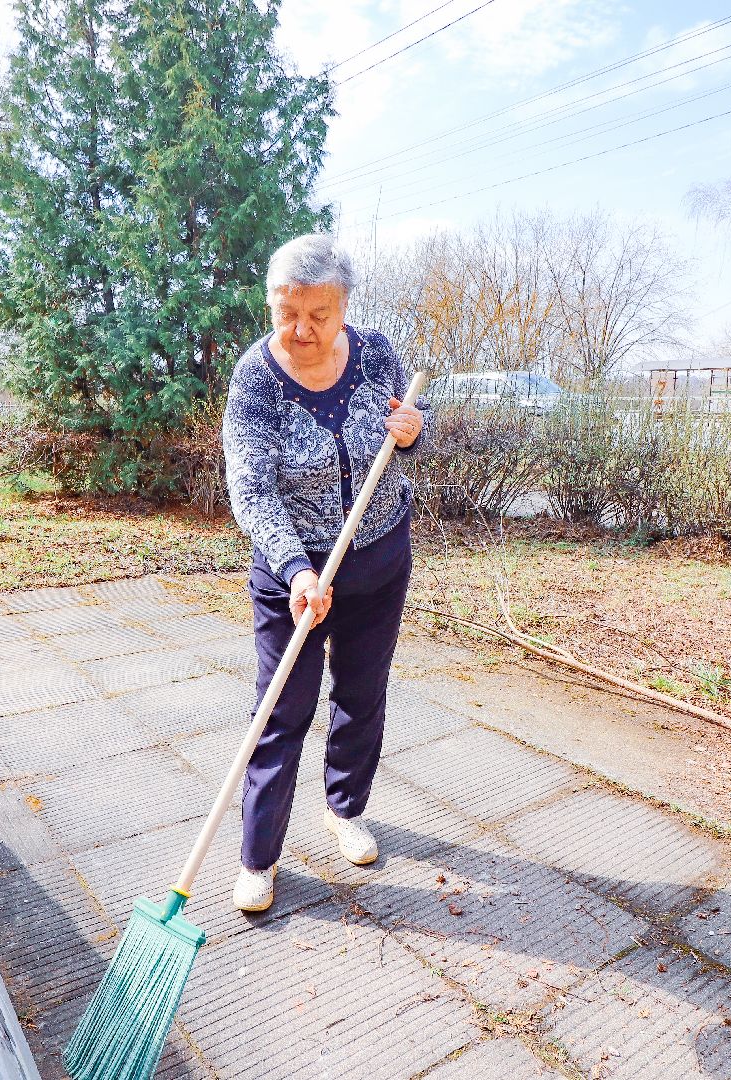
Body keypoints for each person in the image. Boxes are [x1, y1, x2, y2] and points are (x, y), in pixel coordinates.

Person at [221, 233, 428, 912]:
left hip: (379, 556)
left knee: (362, 695)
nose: (301, 330)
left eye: (319, 314)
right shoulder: (255, 380)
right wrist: (296, 571)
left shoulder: (375, 354)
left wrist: (413, 430)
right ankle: (259, 858)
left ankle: (346, 809)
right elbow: (252, 491)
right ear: (270, 303)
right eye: (287, 313)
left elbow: (405, 430)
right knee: (282, 710)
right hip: (295, 569)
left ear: (344, 308)